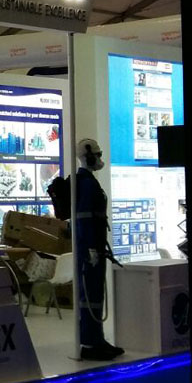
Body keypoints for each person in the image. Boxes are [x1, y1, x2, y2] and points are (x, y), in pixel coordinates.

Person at [73, 138, 124, 362]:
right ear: (88, 156)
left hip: (95, 246)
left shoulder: (89, 181)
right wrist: (91, 248)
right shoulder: (86, 183)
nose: (100, 159)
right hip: (90, 249)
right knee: (89, 296)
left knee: (95, 295)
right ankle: (89, 343)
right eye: (98, 154)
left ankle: (97, 339)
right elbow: (84, 218)